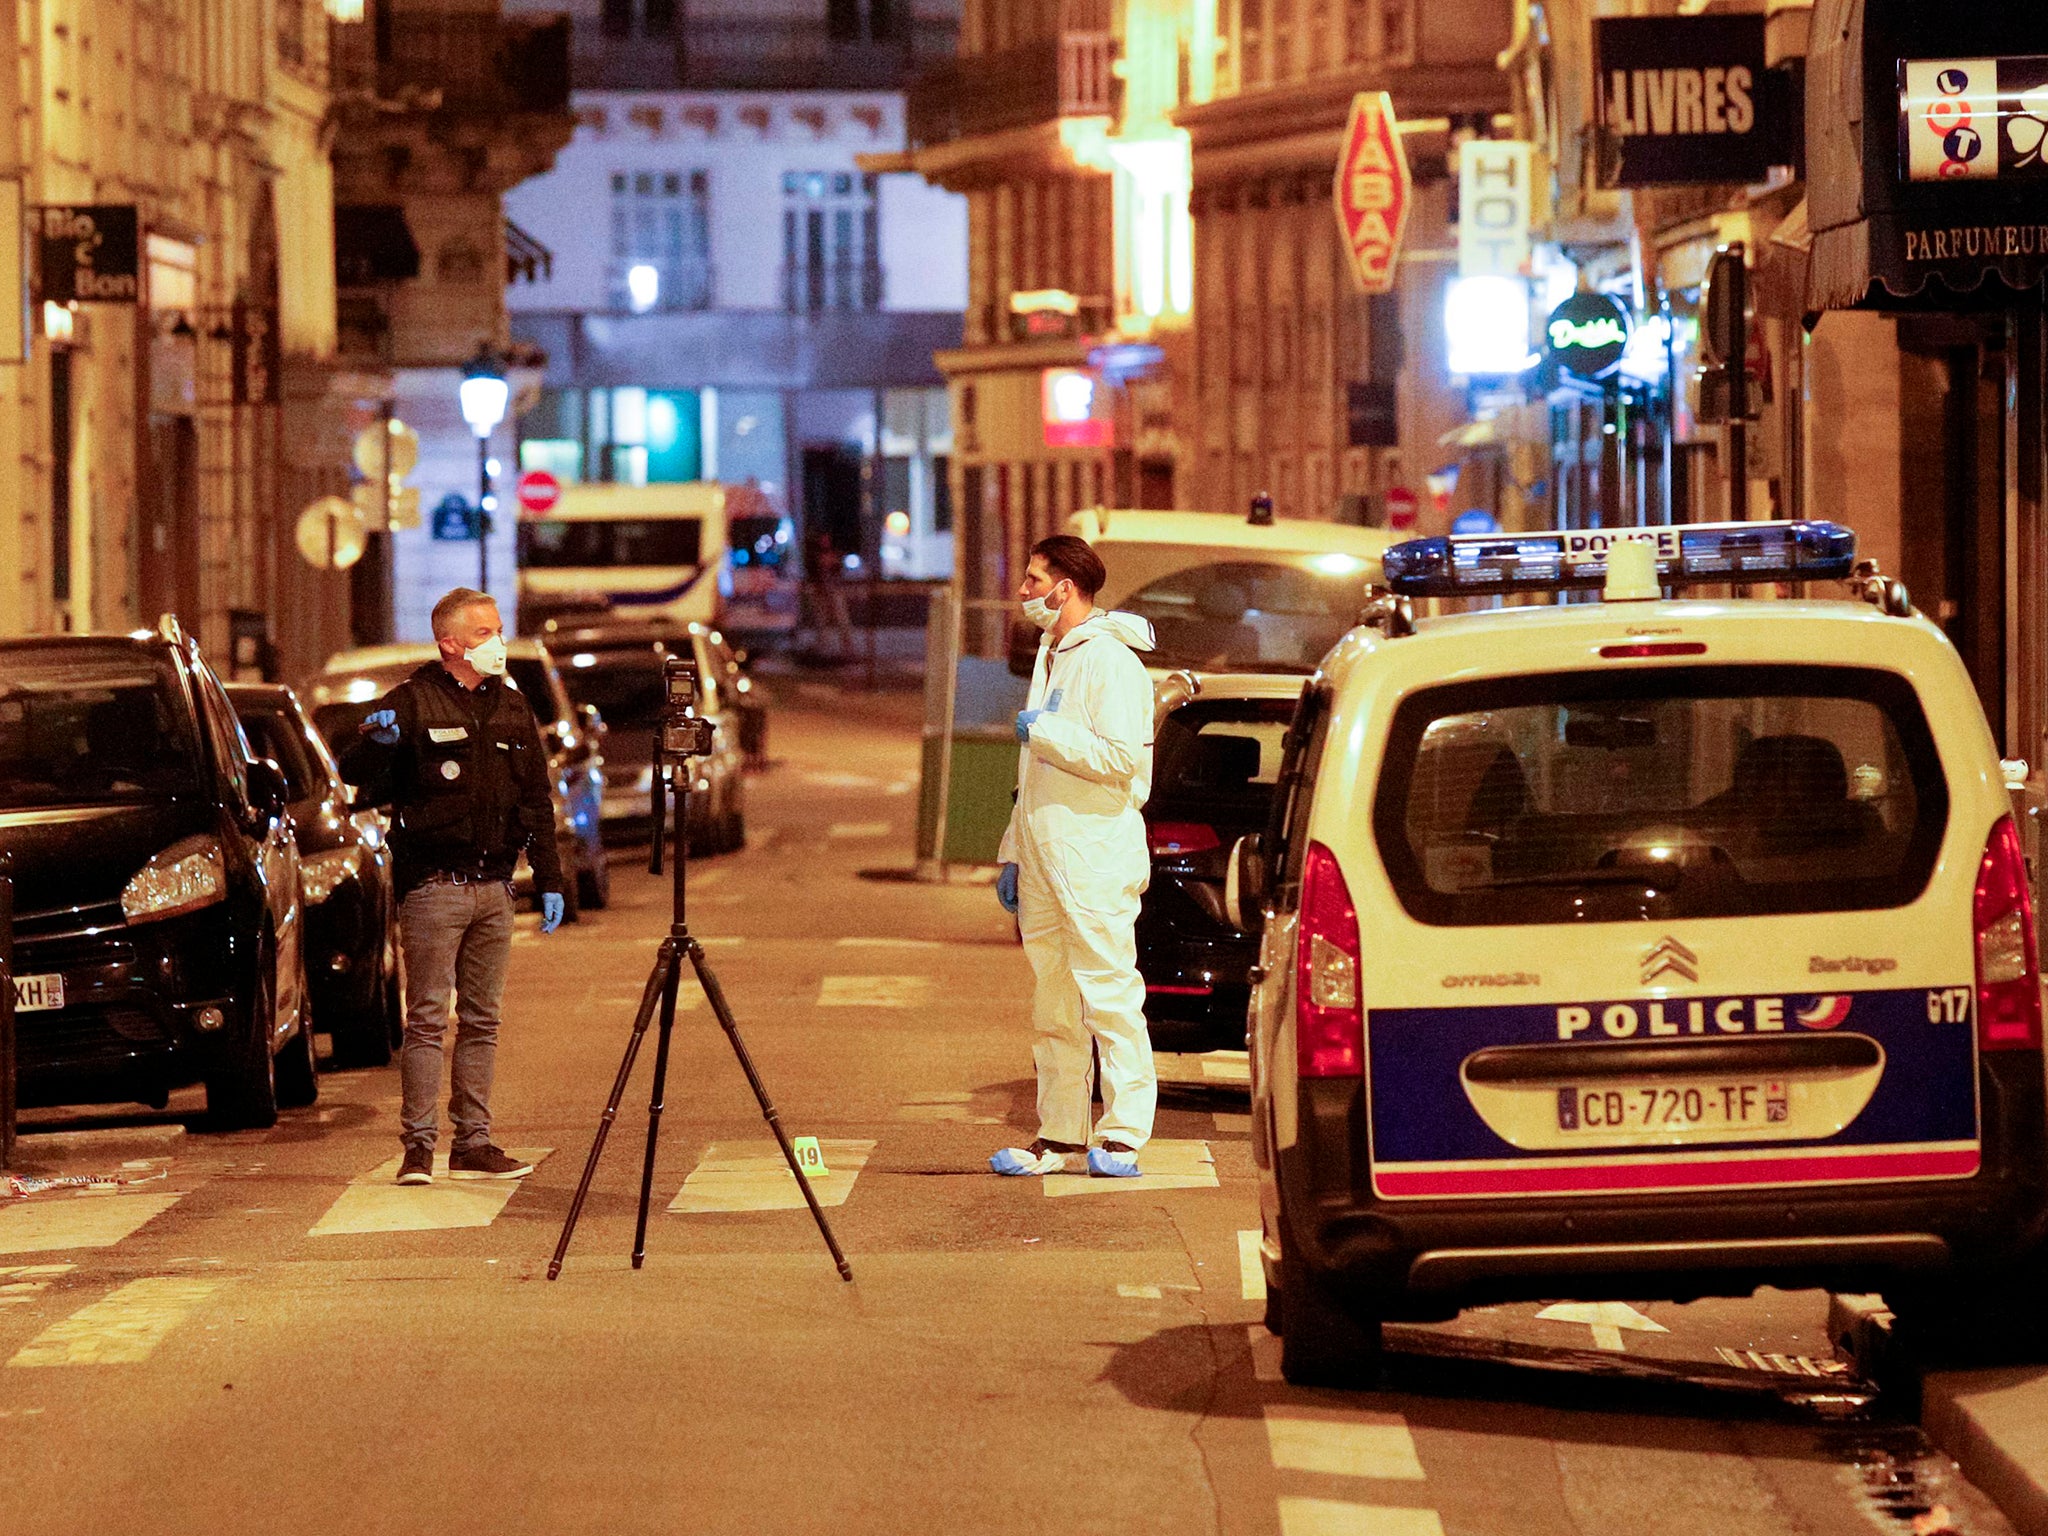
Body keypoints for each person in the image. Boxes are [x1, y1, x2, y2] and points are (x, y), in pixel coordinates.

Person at [340, 588, 567, 1186]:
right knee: (427, 1022)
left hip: (495, 888)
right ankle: (418, 1148)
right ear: (451, 644)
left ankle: (474, 1142)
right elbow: (353, 775)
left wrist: (549, 879)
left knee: (483, 1022)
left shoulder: (513, 708)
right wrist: (376, 745)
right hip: (434, 889)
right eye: (486, 632)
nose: (498, 642)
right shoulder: (412, 704)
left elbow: (536, 800)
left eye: (497, 630)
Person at [990, 535, 1159, 1178]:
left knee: (1109, 994)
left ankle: (1122, 1134)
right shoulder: (1052, 652)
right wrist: (1014, 852)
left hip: (1093, 855)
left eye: (1035, 580)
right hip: (1045, 855)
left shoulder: (1111, 662)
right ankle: (1059, 1133)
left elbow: (1122, 760)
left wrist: (1048, 732)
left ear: (1066, 587)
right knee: (1054, 1001)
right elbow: (1032, 776)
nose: (1026, 591)